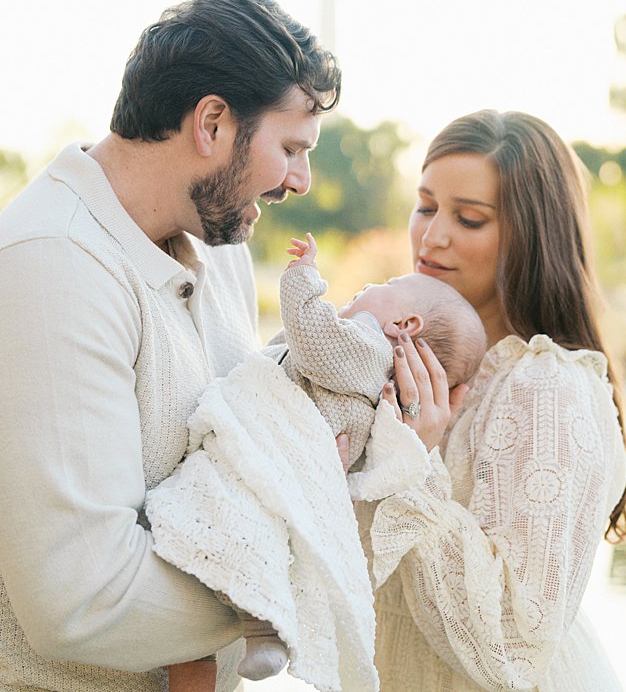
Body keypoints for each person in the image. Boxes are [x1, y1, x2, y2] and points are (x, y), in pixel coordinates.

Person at [0, 0, 341, 692]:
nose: (302, 180)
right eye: (290, 147)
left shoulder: (221, 247)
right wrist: (298, 568)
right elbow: (82, 601)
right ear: (212, 123)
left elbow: (232, 439)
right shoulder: (51, 263)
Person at [357, 109, 626, 692]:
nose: (433, 236)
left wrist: (410, 465)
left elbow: (512, 645)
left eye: (470, 218)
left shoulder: (546, 387)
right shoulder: (406, 350)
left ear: (530, 235)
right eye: (427, 206)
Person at [147, 231, 487, 691]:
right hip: (286, 460)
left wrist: (303, 276)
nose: (368, 288)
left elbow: (309, 334)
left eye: (386, 283)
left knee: (200, 532)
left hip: (271, 452)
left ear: (404, 325)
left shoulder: (366, 347)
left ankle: (247, 636)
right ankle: (258, 631)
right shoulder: (369, 377)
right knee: (242, 545)